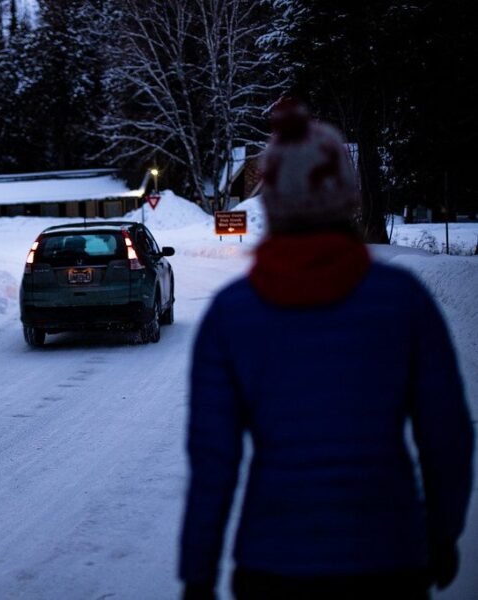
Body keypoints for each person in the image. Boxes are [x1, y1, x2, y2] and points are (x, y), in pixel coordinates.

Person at [178, 100, 474, 600]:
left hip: (273, 565)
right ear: (347, 197)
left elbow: (214, 460)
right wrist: (442, 533)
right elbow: (446, 436)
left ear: (271, 201)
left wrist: (198, 572)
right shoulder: (402, 301)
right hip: (389, 562)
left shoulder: (232, 314)